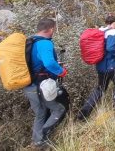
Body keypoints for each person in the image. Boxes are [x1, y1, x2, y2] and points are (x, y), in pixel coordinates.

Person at [25, 18, 67, 148]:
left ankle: (37, 142)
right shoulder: (45, 43)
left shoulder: (29, 41)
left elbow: (37, 62)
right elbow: (48, 63)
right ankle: (43, 135)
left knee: (40, 113)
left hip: (29, 85)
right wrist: (61, 71)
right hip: (42, 86)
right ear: (51, 29)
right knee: (59, 109)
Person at [78, 13, 115, 119]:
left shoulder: (100, 31)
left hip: (101, 66)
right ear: (114, 23)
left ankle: (84, 112)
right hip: (112, 65)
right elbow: (110, 48)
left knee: (100, 89)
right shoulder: (113, 32)